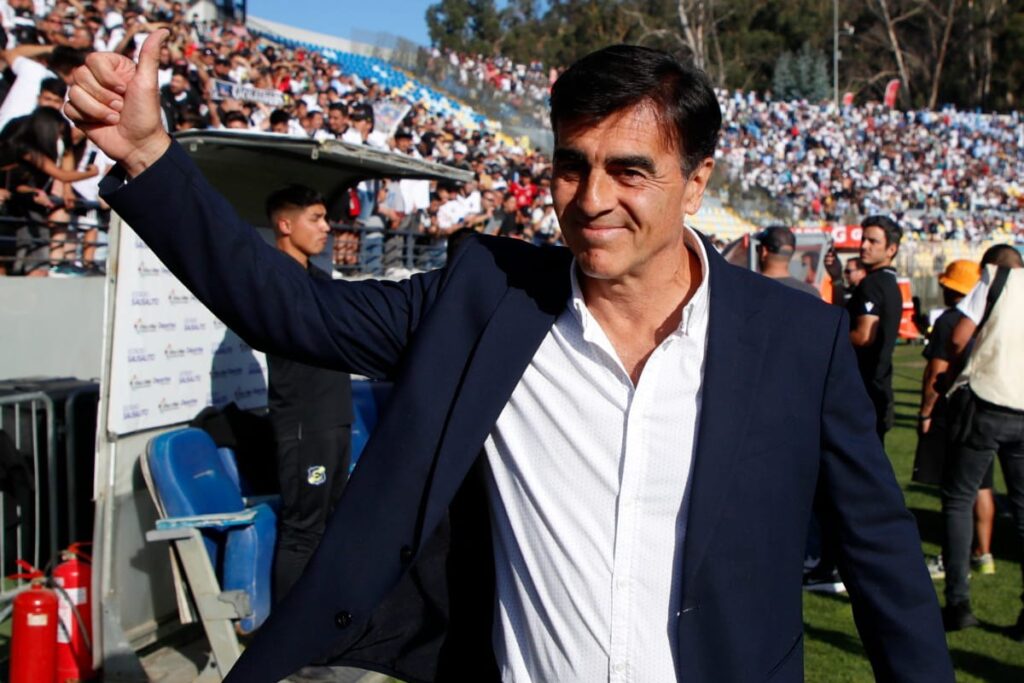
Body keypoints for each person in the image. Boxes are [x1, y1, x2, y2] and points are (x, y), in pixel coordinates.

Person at [68, 35, 952, 683]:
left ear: (700, 180)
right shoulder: (485, 296)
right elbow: (289, 308)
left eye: (629, 171)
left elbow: (879, 553)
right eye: (572, 167)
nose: (592, 200)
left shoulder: (795, 339)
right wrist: (151, 153)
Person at [262, 184, 354, 601]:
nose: (326, 228)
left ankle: (319, 631)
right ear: (285, 224)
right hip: (303, 425)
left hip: (334, 417)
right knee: (303, 529)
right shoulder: (273, 278)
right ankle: (291, 649)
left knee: (332, 524)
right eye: (315, 219)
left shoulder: (319, 277)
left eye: (325, 218)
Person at [940, 244, 1024, 633]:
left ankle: (958, 603)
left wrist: (955, 373)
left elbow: (959, 337)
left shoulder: (994, 280)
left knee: (959, 499)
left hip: (986, 401)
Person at [913, 259, 992, 579]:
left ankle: (951, 560)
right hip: (985, 405)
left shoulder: (950, 321)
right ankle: (983, 553)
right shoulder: (988, 317)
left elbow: (936, 371)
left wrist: (926, 411)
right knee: (983, 485)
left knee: (955, 492)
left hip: (953, 409)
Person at [848, 215, 903, 440]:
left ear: (891, 249)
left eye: (873, 241)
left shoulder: (872, 284)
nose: (863, 246)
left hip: (864, 387)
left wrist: (826, 337)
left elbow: (863, 336)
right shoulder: (889, 282)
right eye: (863, 239)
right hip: (879, 385)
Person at [755, 225, 819, 297]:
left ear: (764, 251)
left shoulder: (748, 289)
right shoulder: (812, 293)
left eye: (757, 248)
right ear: (792, 253)